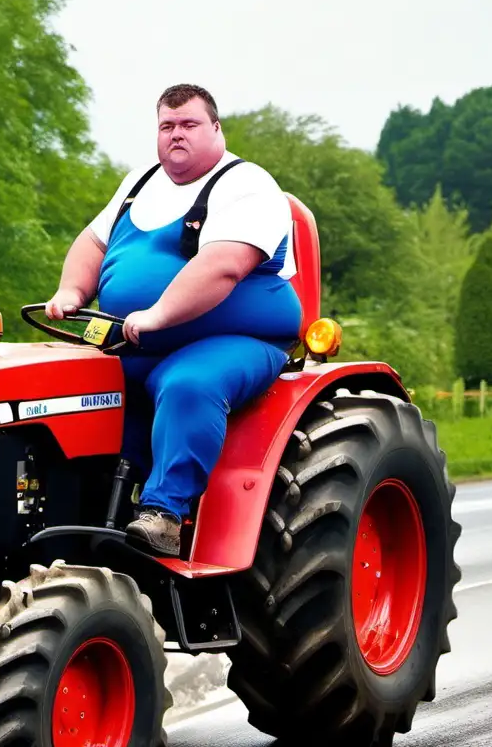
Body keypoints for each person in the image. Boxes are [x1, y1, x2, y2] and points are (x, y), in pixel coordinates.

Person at [45, 84, 302, 556]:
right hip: (139, 339)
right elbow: (94, 243)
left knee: (189, 383)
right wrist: (71, 290)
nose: (176, 135)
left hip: (236, 338)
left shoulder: (246, 185)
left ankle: (164, 513)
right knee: (66, 385)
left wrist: (159, 313)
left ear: (216, 128)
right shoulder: (141, 181)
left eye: (189, 125)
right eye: (167, 126)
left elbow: (222, 265)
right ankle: (78, 506)